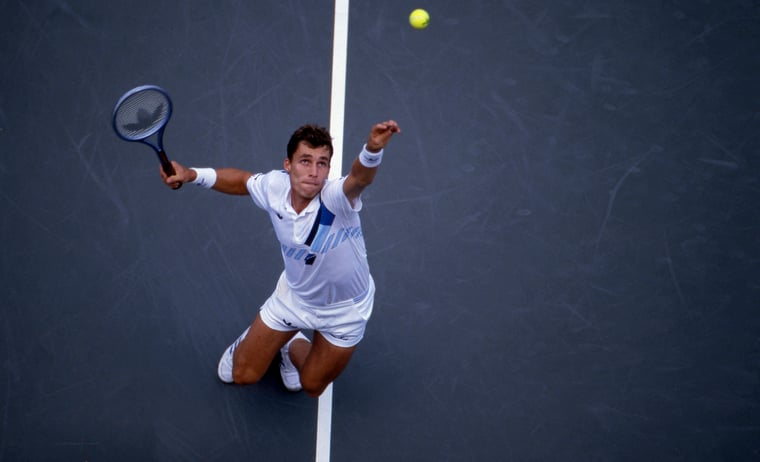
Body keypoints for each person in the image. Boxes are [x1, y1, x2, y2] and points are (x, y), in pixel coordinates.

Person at [161, 120, 401, 397]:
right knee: (243, 375)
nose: (313, 172)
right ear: (288, 165)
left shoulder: (336, 199)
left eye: (322, 163)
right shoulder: (275, 187)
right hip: (295, 298)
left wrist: (372, 150)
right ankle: (264, 338)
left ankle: (291, 344)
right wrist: (191, 174)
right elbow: (242, 181)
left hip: (345, 312)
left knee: (312, 385)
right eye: (305, 161)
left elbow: (360, 178)